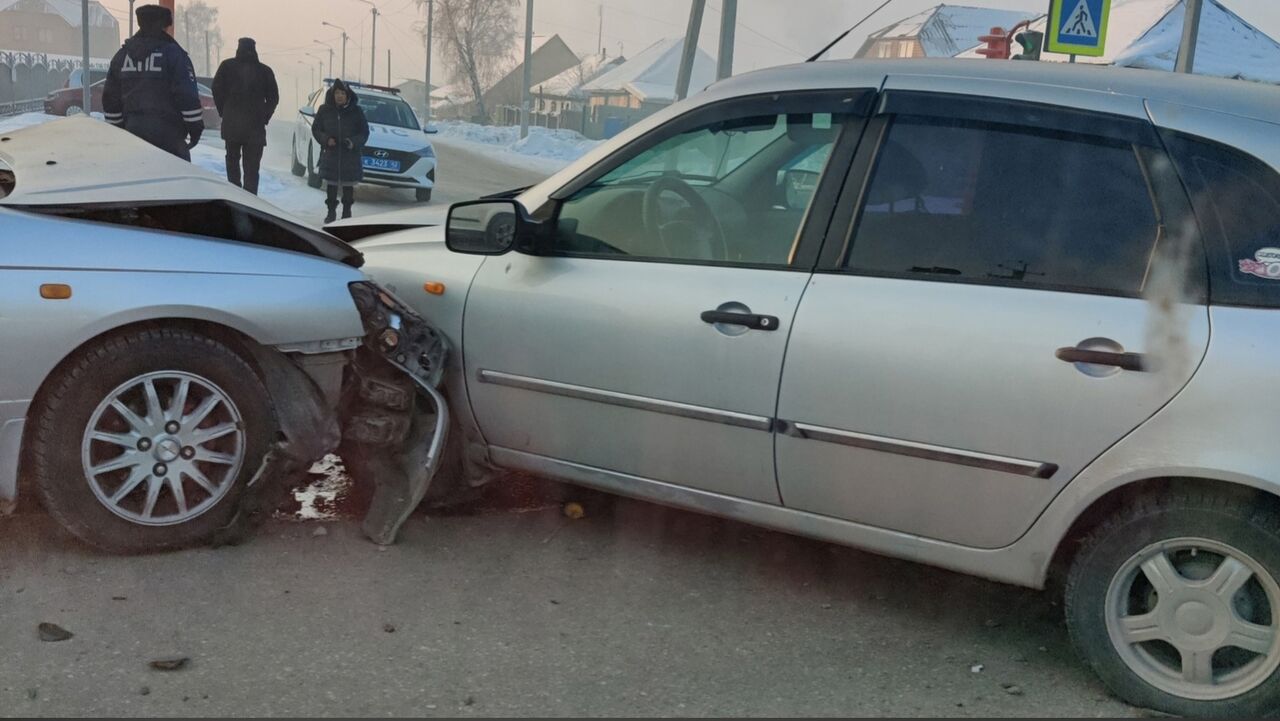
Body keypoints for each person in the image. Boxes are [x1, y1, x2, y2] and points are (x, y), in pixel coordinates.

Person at [102, 4, 203, 161]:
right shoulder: (175, 55)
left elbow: (110, 100)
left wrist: (120, 131)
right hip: (170, 137)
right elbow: (187, 95)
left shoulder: (121, 57)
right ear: (164, 26)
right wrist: (195, 129)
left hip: (133, 136)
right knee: (174, 183)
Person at [211, 38, 279, 195]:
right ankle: (250, 201)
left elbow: (216, 89)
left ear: (238, 49)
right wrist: (264, 116)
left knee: (232, 161)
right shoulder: (265, 71)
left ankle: (234, 197)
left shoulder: (227, 67)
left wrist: (224, 111)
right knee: (252, 169)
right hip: (255, 128)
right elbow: (274, 98)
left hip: (232, 125)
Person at [311, 79, 369, 224]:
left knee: (348, 186)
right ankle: (331, 213)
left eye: (342, 93)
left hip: (350, 156)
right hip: (331, 154)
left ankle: (346, 214)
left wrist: (353, 142)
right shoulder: (324, 110)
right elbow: (316, 129)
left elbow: (364, 132)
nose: (339, 96)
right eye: (337, 93)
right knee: (331, 185)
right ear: (333, 94)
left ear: (348, 95)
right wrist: (325, 139)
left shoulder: (356, 111)